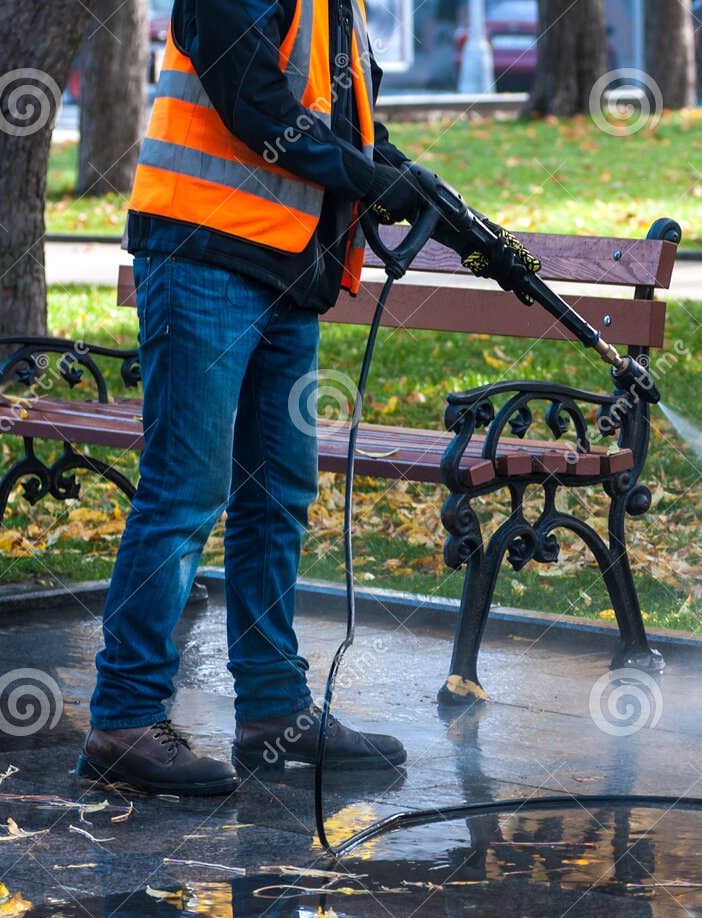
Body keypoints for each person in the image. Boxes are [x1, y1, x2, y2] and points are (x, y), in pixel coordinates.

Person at [79, 0, 437, 797]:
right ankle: (124, 720)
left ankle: (274, 712)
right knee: (186, 490)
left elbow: (331, 122)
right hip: (204, 253)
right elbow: (255, 104)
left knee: (276, 493)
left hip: (285, 268)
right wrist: (371, 178)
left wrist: (397, 171)